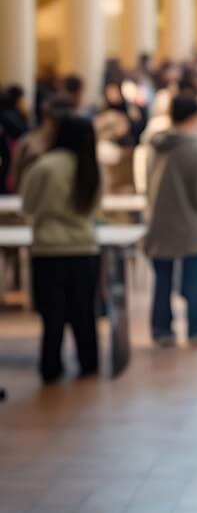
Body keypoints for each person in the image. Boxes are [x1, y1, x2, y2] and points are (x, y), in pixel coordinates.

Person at [19, 115, 102, 383]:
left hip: (48, 248)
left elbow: (28, 205)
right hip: (84, 247)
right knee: (84, 312)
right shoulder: (90, 165)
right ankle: (89, 362)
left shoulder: (44, 166)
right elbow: (97, 205)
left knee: (51, 314)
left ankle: (51, 366)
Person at [145, 94, 197, 347]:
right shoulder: (195, 147)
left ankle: (161, 328)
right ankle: (195, 328)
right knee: (192, 279)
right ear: (194, 117)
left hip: (159, 220)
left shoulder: (155, 145)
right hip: (192, 224)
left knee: (162, 279)